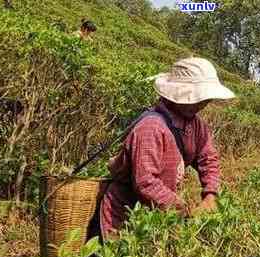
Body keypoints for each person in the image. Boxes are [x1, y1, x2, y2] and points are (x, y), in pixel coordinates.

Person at [88, 57, 235, 241]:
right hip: (124, 216)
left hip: (157, 215)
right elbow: (146, 182)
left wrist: (210, 194)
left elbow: (208, 158)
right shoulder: (150, 127)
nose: (201, 104)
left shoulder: (196, 126)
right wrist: (183, 210)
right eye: (196, 98)